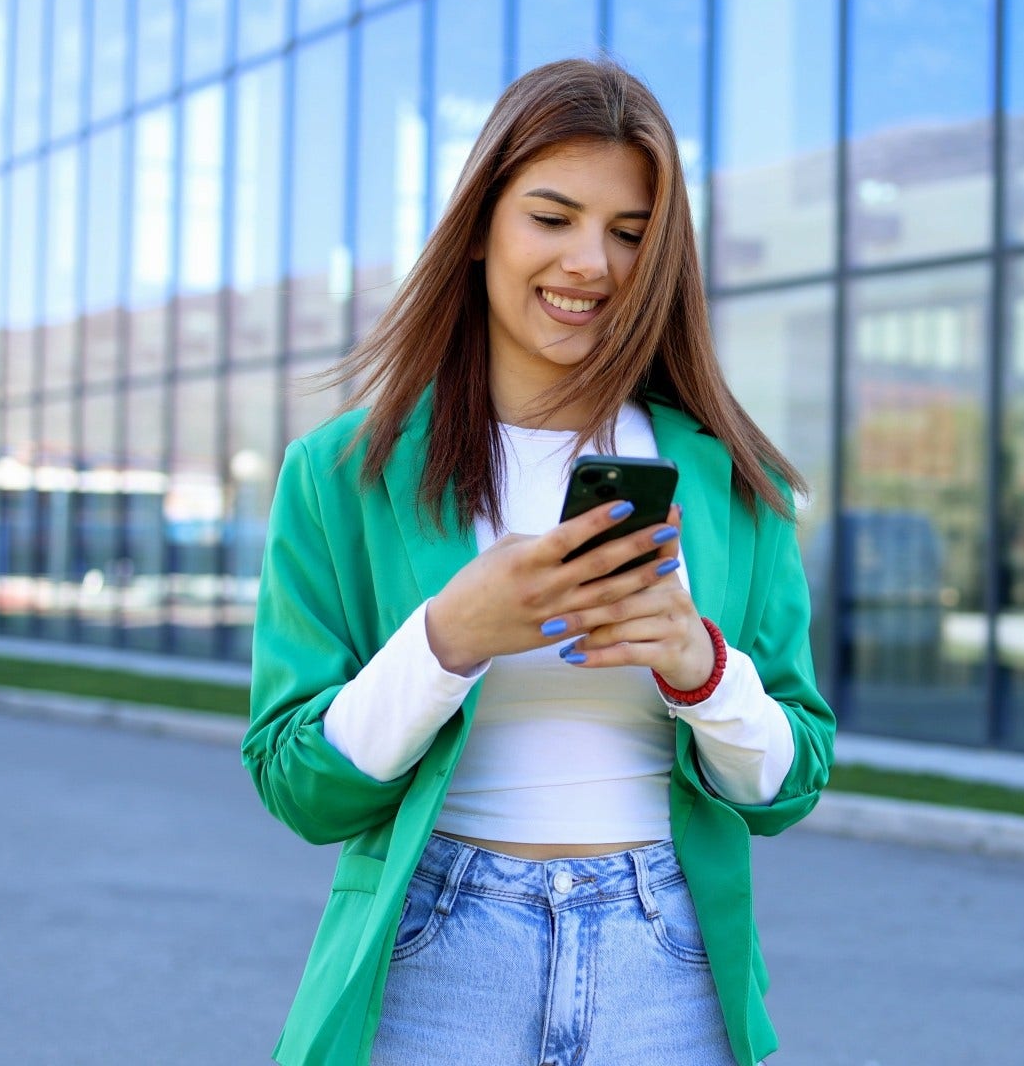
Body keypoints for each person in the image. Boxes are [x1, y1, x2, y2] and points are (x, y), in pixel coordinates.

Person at [243, 57, 835, 1066]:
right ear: (482, 227)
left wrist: (700, 670)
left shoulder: (731, 483)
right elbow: (299, 788)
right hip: (434, 958)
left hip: (666, 964)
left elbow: (791, 783)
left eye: (630, 234)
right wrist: (446, 641)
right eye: (552, 218)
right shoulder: (343, 473)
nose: (591, 265)